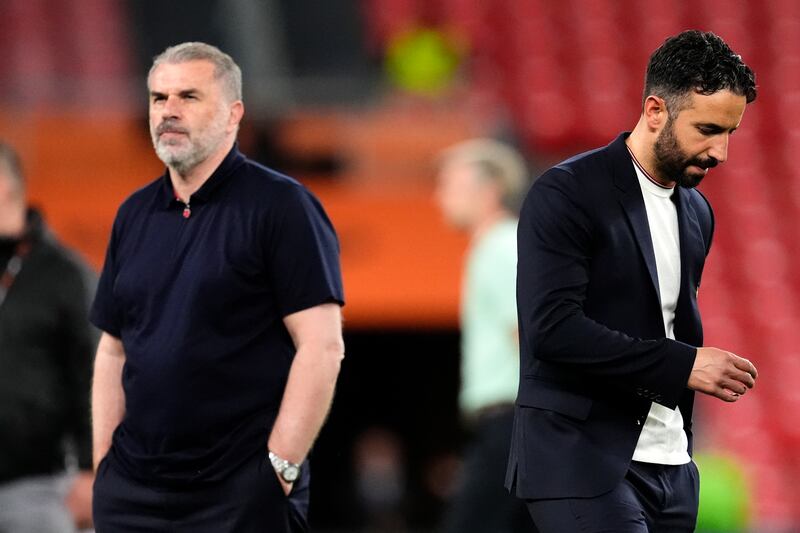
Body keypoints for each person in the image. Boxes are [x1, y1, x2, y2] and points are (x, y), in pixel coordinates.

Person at [505, 30, 759, 532]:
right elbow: (552, 329)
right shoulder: (567, 192)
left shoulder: (697, 212)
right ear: (655, 110)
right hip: (582, 460)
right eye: (707, 128)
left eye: (729, 132)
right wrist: (682, 363)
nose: (721, 152)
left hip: (673, 467)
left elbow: (660, 322)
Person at [90, 42, 345, 532]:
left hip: (238, 494)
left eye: (188, 96)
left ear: (234, 115)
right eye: (158, 98)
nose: (169, 111)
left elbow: (322, 345)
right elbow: (113, 351)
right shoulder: (133, 214)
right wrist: (105, 463)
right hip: (132, 494)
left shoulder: (283, 206)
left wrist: (281, 467)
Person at [435, 139, 531, 533]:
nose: (439, 199)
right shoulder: (503, 245)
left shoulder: (498, 246)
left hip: (512, 424)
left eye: (449, 186)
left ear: (489, 190)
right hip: (520, 426)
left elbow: (528, 333)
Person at [0, 141, 96, 532]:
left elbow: (99, 373)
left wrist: (95, 470)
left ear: (6, 188)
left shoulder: (66, 275)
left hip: (43, 486)